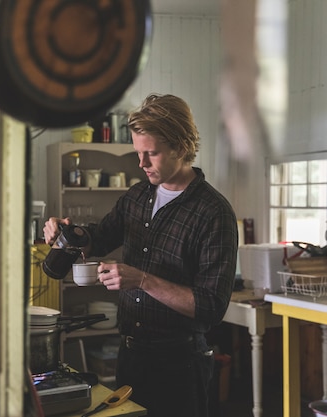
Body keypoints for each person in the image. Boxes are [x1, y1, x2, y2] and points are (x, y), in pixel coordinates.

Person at [44, 93, 238, 417]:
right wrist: (65, 231)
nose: (141, 163)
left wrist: (143, 280)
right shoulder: (137, 197)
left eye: (151, 153)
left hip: (180, 365)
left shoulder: (214, 213)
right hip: (131, 357)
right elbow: (98, 238)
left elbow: (211, 307)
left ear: (180, 145)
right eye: (138, 152)